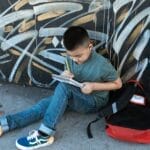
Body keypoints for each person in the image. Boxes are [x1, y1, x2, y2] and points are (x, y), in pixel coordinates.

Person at [0, 26, 122, 150]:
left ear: (90, 46)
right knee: (43, 106)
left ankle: (45, 134)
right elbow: (69, 70)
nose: (75, 59)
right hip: (76, 94)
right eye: (72, 56)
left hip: (94, 101)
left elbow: (118, 84)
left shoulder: (102, 64)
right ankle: (5, 124)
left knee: (64, 88)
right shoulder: (71, 57)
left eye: (78, 56)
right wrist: (65, 74)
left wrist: (93, 86)